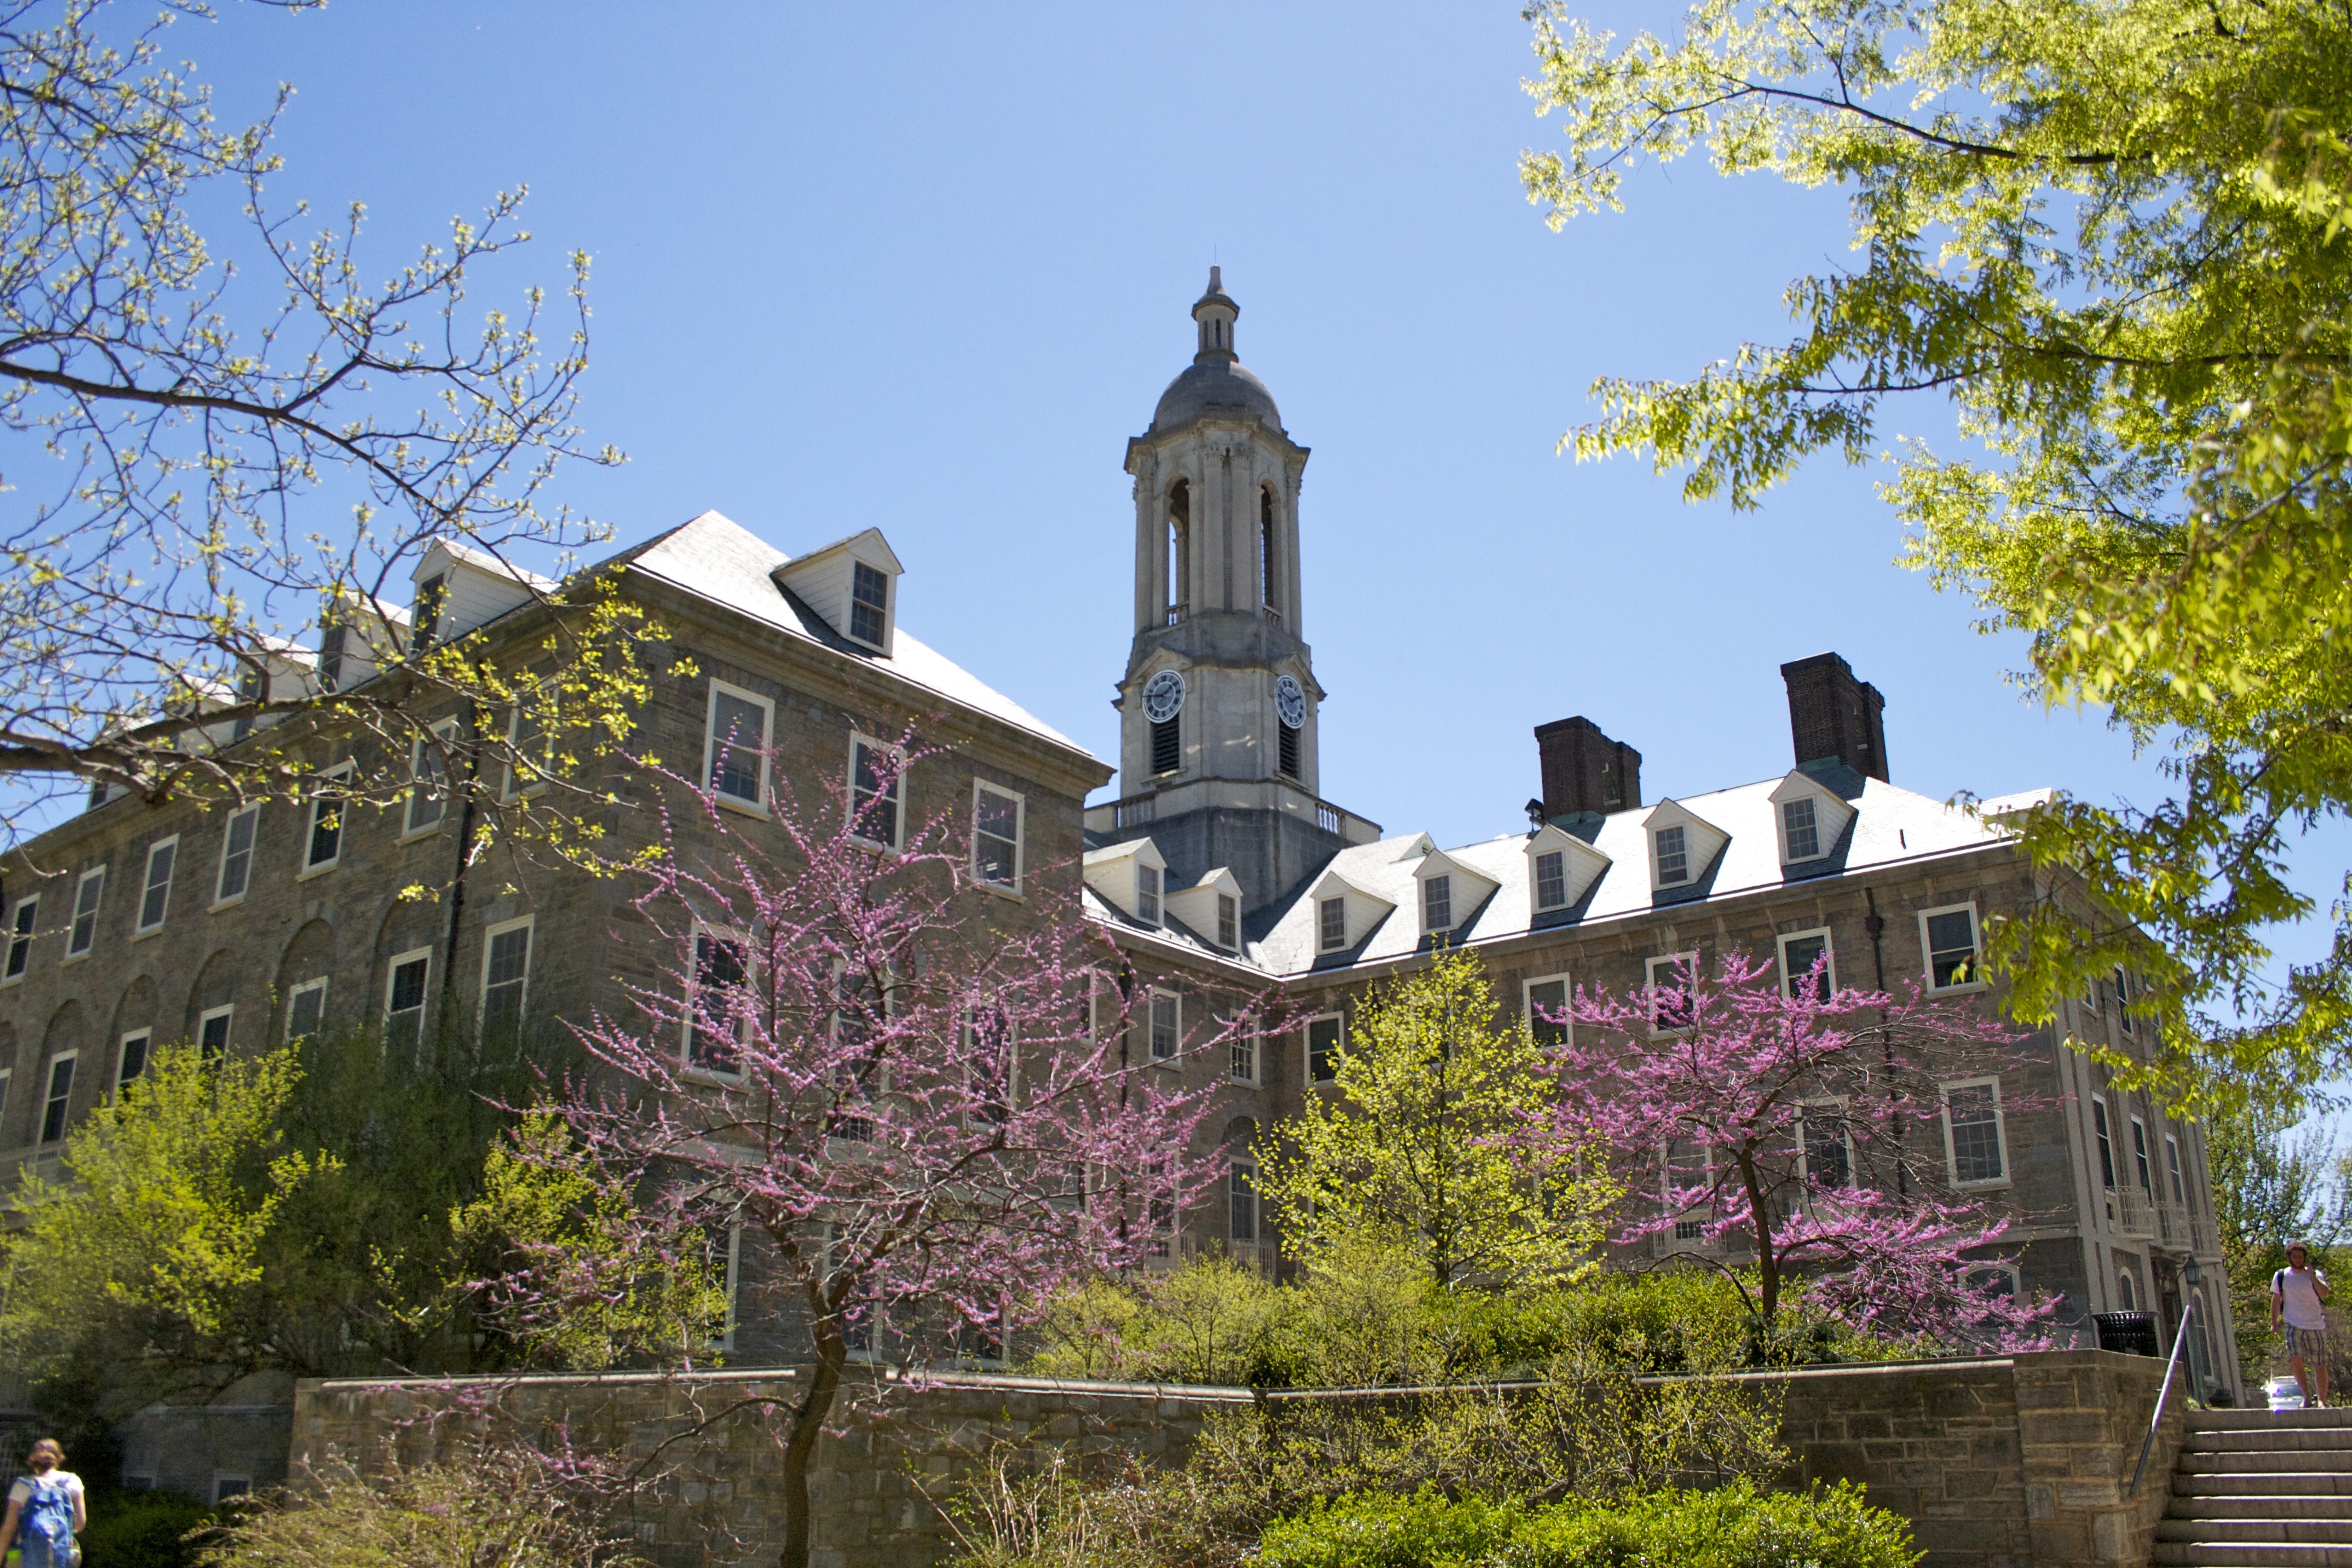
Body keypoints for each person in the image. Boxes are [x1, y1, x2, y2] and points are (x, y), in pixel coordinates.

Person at [0, 1438, 85, 1568]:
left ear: (33, 1459)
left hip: (27, 1555)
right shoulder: (72, 1481)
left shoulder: (23, 1485)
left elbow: (8, 1529)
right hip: (62, 1556)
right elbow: (80, 1524)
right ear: (59, 1458)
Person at [2272, 1240, 2335, 1409]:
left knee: (2320, 1363)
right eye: (2295, 1257)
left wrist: (2312, 1275)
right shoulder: (2282, 1276)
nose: (2299, 1259)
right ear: (2290, 1257)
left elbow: (2325, 1293)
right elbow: (2276, 1299)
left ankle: (2321, 1399)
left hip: (2315, 1323)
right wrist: (2274, 1323)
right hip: (2293, 1323)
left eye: (2301, 1257)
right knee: (2295, 1359)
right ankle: (2306, 1397)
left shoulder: (2315, 1275)